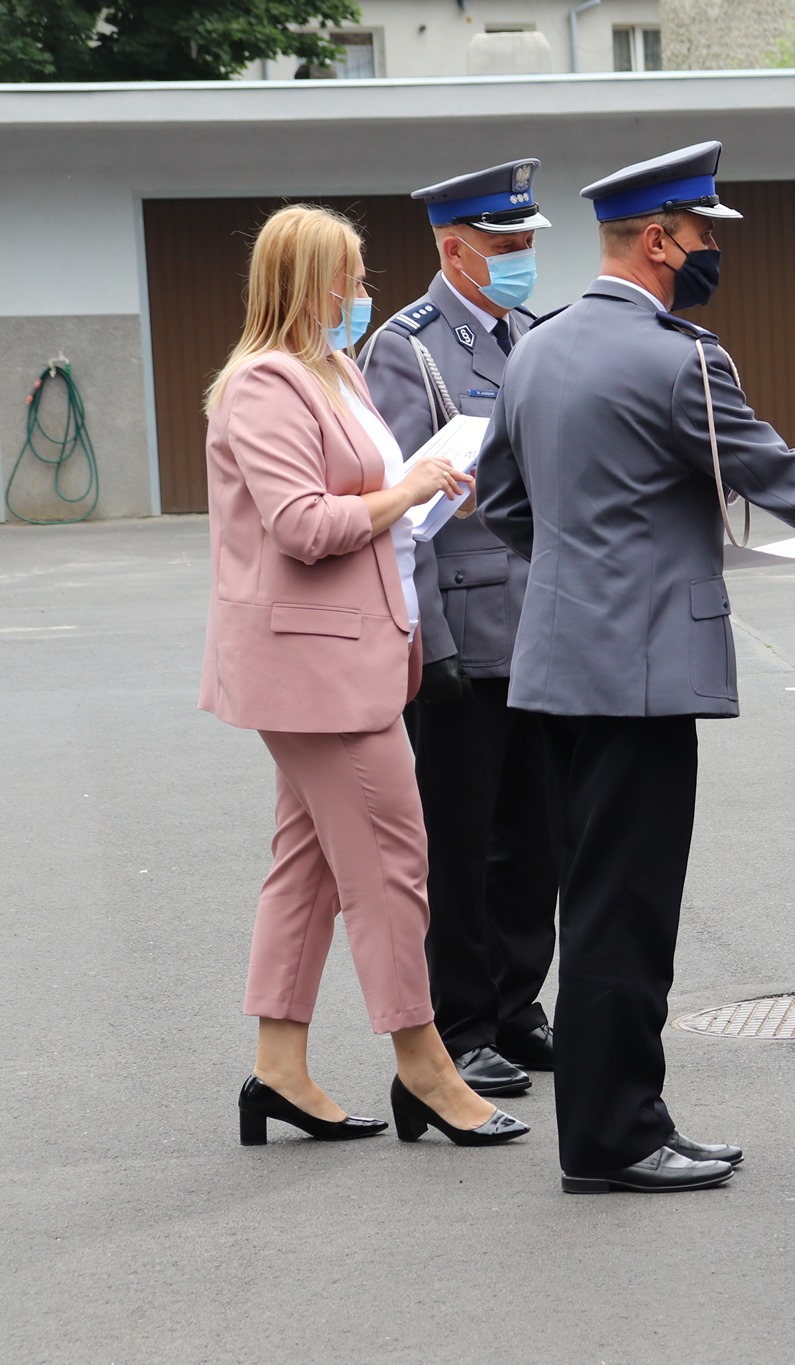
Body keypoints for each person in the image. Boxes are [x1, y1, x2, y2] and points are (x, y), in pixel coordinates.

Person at [475, 143, 795, 1195]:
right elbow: (780, 476)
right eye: (703, 234)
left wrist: (584, 577)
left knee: (595, 901)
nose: (709, 253)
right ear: (657, 239)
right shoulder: (677, 358)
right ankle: (612, 1139)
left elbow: (507, 509)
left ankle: (626, 1118)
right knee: (628, 911)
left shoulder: (537, 349)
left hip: (560, 661)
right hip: (643, 668)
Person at [201, 203, 527, 1151]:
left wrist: (420, 480)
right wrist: (412, 489)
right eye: (346, 273)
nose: (359, 289)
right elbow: (305, 526)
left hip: (346, 653)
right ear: (307, 282)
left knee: (306, 866)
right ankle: (425, 1068)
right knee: (393, 863)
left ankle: (278, 1068)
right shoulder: (264, 384)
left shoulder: (333, 368)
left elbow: (356, 500)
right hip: (314, 670)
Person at [361, 159, 559, 1101]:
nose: (524, 259)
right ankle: (461, 1022)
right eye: (509, 246)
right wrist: (427, 642)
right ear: (457, 250)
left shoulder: (530, 333)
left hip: (544, 627)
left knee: (537, 832)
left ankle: (519, 1005)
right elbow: (403, 509)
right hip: (466, 629)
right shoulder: (411, 348)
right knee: (460, 835)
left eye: (528, 243)